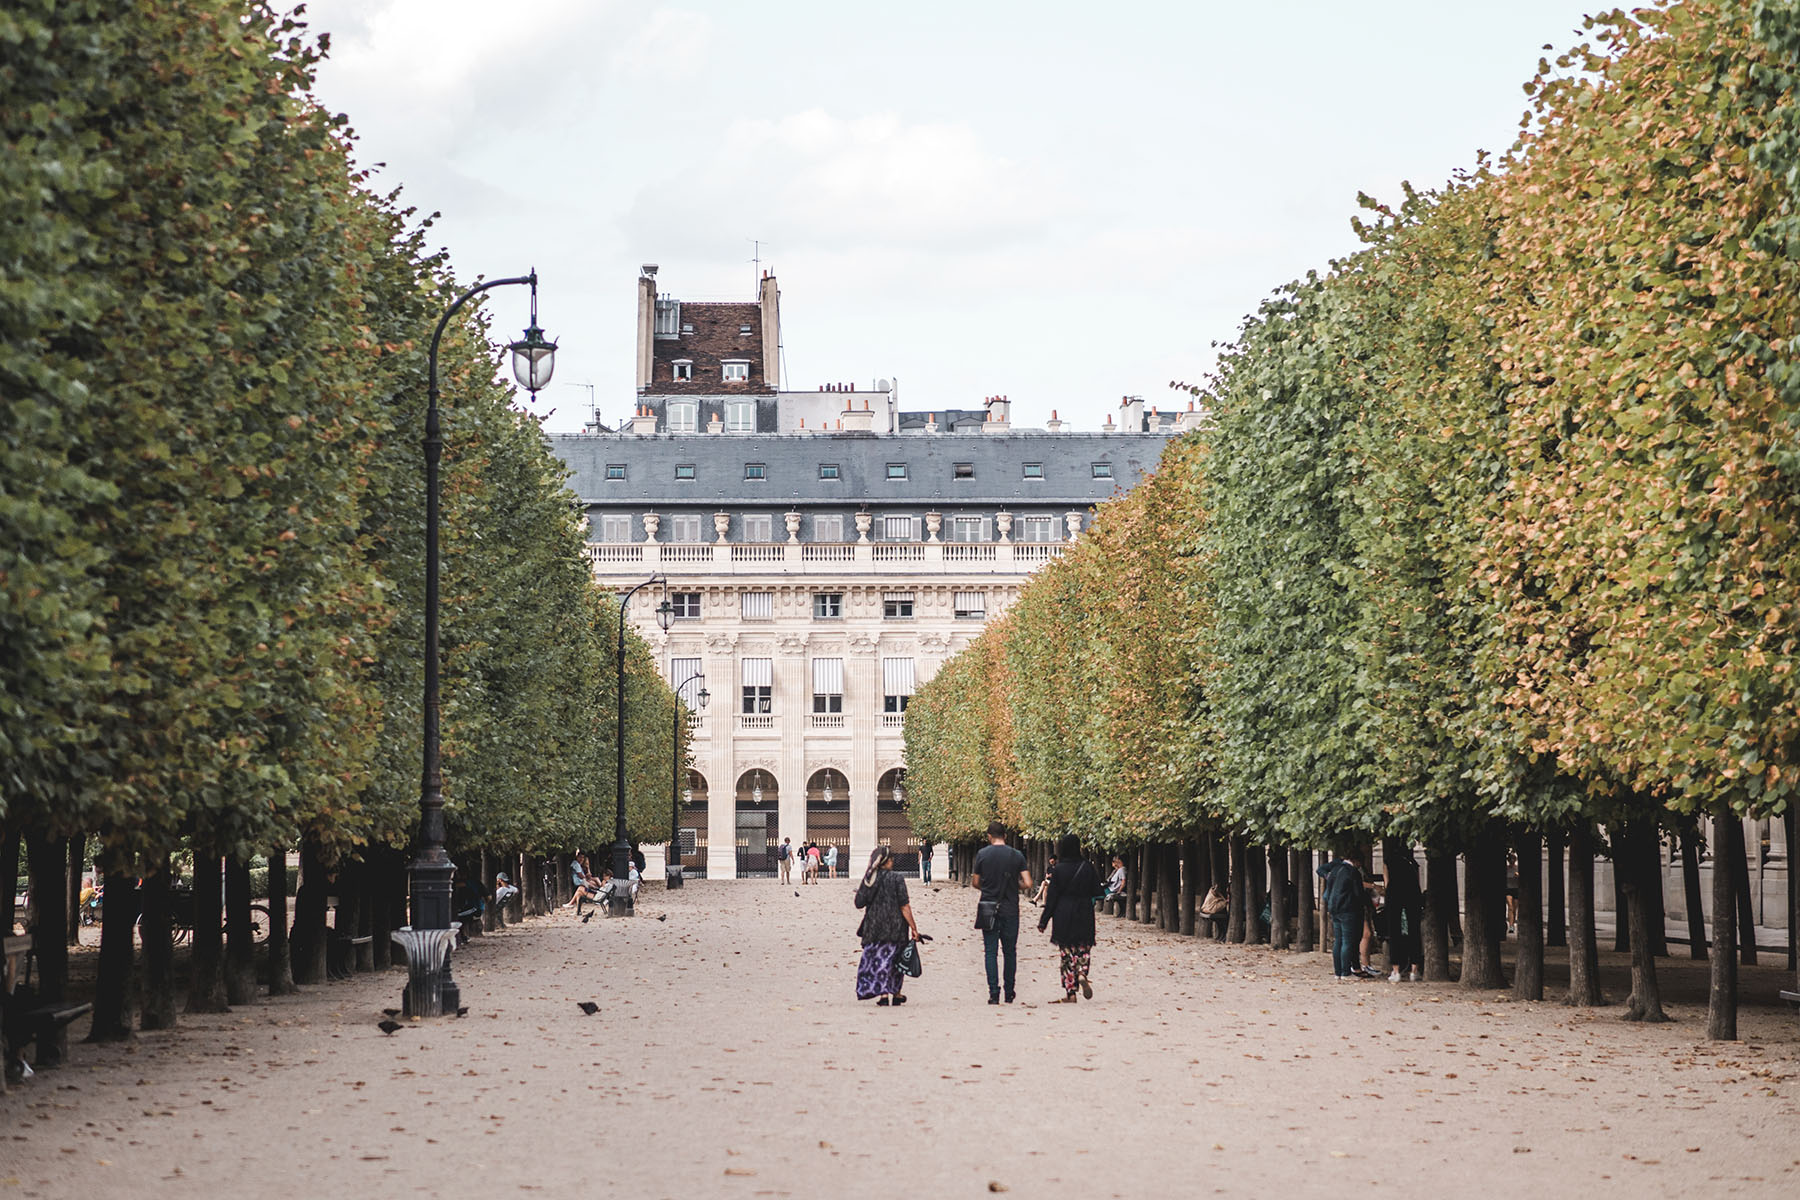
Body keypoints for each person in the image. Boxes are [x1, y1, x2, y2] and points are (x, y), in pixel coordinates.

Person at [970, 820, 1031, 1005]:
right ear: (1005, 835)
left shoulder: (982, 854)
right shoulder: (1017, 855)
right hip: (1010, 907)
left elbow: (975, 882)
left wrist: (988, 888)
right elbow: (1028, 883)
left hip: (988, 906)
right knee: (1009, 951)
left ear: (989, 836)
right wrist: (1014, 886)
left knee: (990, 951)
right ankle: (1009, 991)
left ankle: (993, 993)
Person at [854, 846, 921, 1006]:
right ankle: (896, 993)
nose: (893, 862)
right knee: (896, 961)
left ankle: (884, 994)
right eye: (891, 859)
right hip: (896, 927)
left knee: (880, 961)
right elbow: (904, 906)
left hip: (874, 927)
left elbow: (859, 903)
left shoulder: (870, 879)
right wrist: (913, 927)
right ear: (887, 861)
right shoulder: (897, 878)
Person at [1038, 836, 1102, 1002]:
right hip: (1084, 911)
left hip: (1063, 913)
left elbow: (1051, 898)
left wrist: (1044, 921)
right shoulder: (1087, 867)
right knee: (1083, 948)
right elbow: (1097, 890)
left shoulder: (1058, 870)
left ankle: (1071, 993)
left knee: (1067, 954)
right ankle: (1082, 973)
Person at [1317, 849, 1366, 981]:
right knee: (1347, 941)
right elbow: (1358, 893)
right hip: (1348, 909)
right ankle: (1346, 972)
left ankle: (1338, 972)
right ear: (1356, 861)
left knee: (1338, 941)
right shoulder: (1352, 872)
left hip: (1334, 908)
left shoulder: (1335, 869)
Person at [1385, 851, 1424, 982]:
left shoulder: (1389, 864)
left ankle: (1396, 971)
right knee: (1414, 934)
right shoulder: (1413, 865)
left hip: (1394, 900)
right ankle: (1414, 970)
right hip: (1412, 900)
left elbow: (1387, 883)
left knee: (1394, 934)